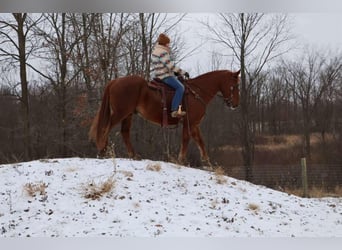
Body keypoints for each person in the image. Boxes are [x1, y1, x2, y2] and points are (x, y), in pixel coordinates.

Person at [151, 33, 189, 118]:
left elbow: (163, 65)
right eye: (168, 43)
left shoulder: (155, 51)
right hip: (165, 76)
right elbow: (170, 65)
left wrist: (175, 72)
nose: (169, 44)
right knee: (180, 87)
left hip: (159, 74)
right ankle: (174, 110)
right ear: (165, 43)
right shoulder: (163, 52)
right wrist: (182, 72)